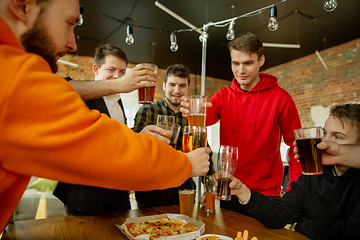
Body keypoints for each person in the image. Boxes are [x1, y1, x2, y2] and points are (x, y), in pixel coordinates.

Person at [0, 0, 211, 231]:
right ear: (23, 6)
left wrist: (139, 137)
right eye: (69, 22)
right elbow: (107, 148)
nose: (71, 43)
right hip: (87, 200)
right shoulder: (14, 81)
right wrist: (186, 164)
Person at [180, 32, 302, 214]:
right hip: (230, 191)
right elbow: (206, 118)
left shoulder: (281, 98)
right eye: (235, 63)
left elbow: (297, 147)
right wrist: (192, 112)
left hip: (266, 194)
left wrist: (295, 191)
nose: (240, 71)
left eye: (248, 63)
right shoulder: (223, 96)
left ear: (261, 60)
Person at [54, 44, 161, 215]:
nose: (117, 77)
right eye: (111, 70)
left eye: (122, 72)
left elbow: (115, 139)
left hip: (116, 192)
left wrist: (139, 136)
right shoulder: (81, 98)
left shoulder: (118, 101)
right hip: (85, 196)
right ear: (96, 69)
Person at [226, 103, 360, 239]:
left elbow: (351, 231)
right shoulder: (314, 172)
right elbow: (280, 213)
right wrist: (243, 191)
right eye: (324, 133)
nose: (324, 141)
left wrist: (301, 227)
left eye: (337, 137)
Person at [132, 64, 196, 208]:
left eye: (182, 86)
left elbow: (203, 147)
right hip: (152, 186)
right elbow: (134, 143)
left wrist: (209, 186)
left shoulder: (192, 116)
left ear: (188, 88)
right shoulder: (148, 110)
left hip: (184, 184)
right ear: (164, 85)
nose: (177, 90)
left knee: (185, 227)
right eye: (172, 84)